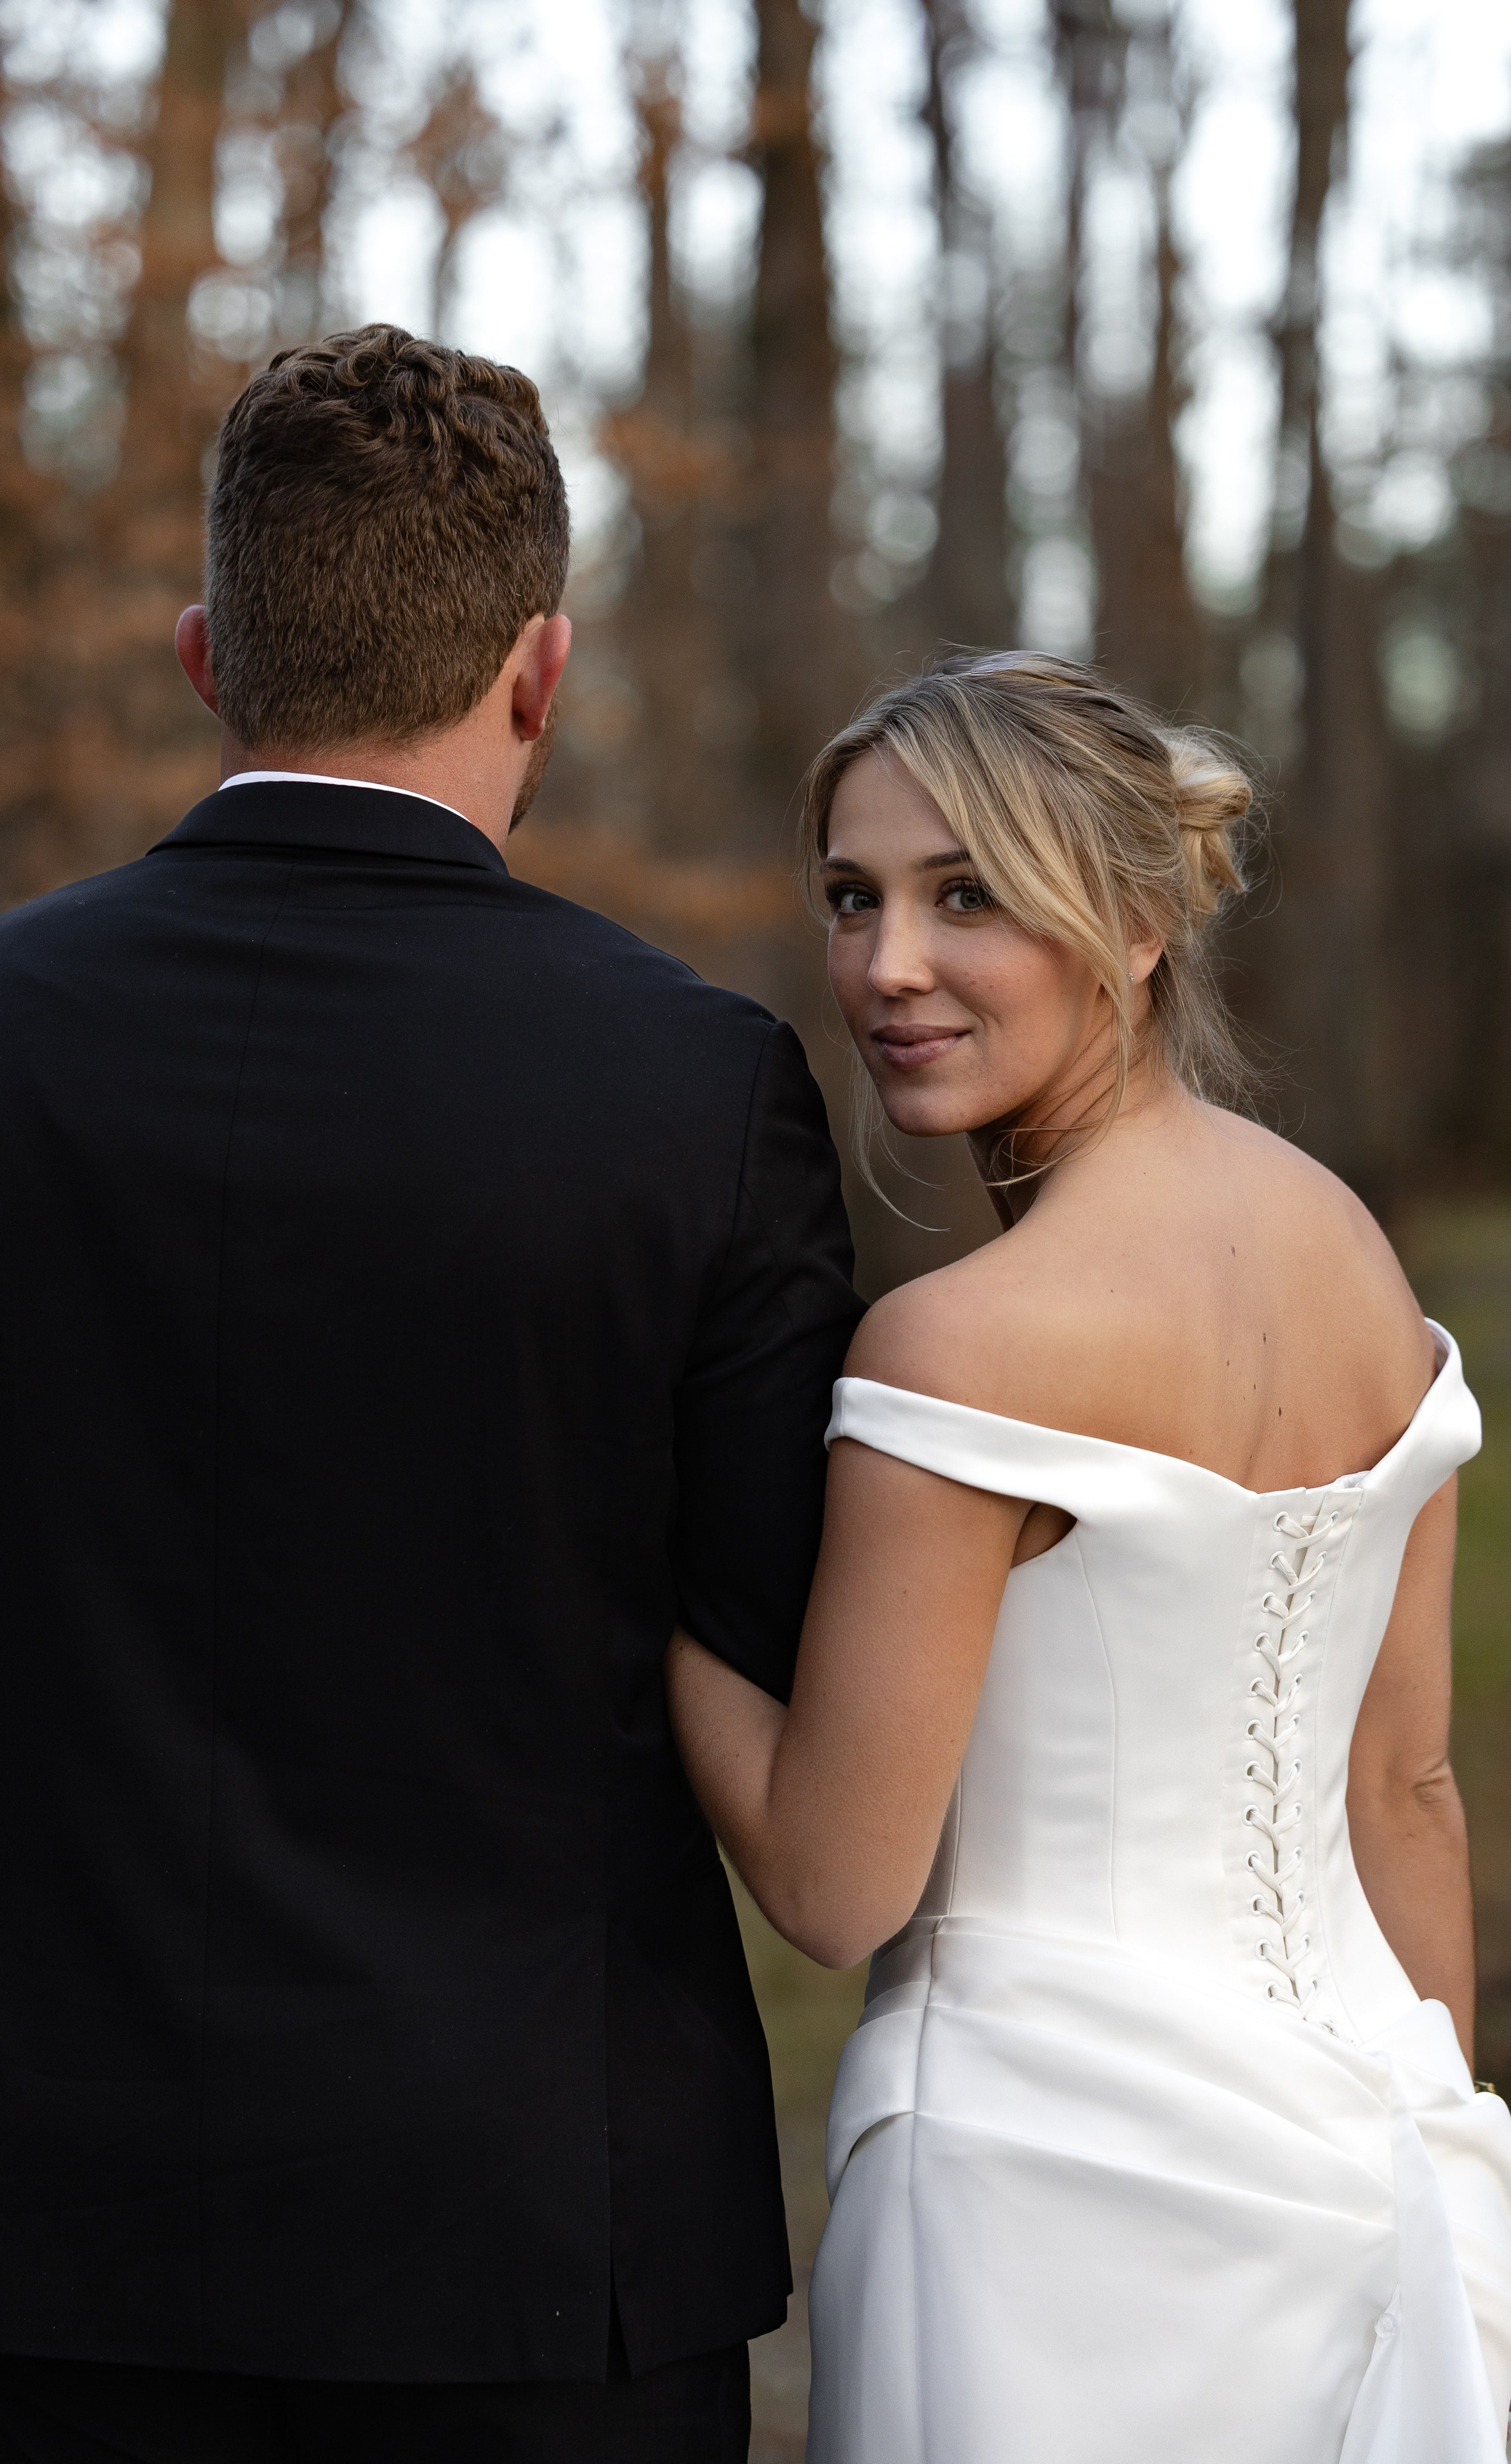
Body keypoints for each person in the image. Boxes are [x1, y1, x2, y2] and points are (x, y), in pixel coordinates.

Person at [0, 326, 862, 2463]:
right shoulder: (694, 1088)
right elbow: (766, 1642)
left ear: (210, 652)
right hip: (535, 2246)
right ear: (542, 671)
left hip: (41, 2229)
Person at [667, 653, 1511, 2462]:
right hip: (1370, 2173)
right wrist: (1466, 2190)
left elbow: (841, 1887)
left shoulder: (959, 1348)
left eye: (966, 893)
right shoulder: (1353, 1257)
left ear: (1140, 922)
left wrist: (624, 1560)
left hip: (1036, 2206)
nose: (887, 967)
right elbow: (1407, 1788)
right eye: (854, 897)